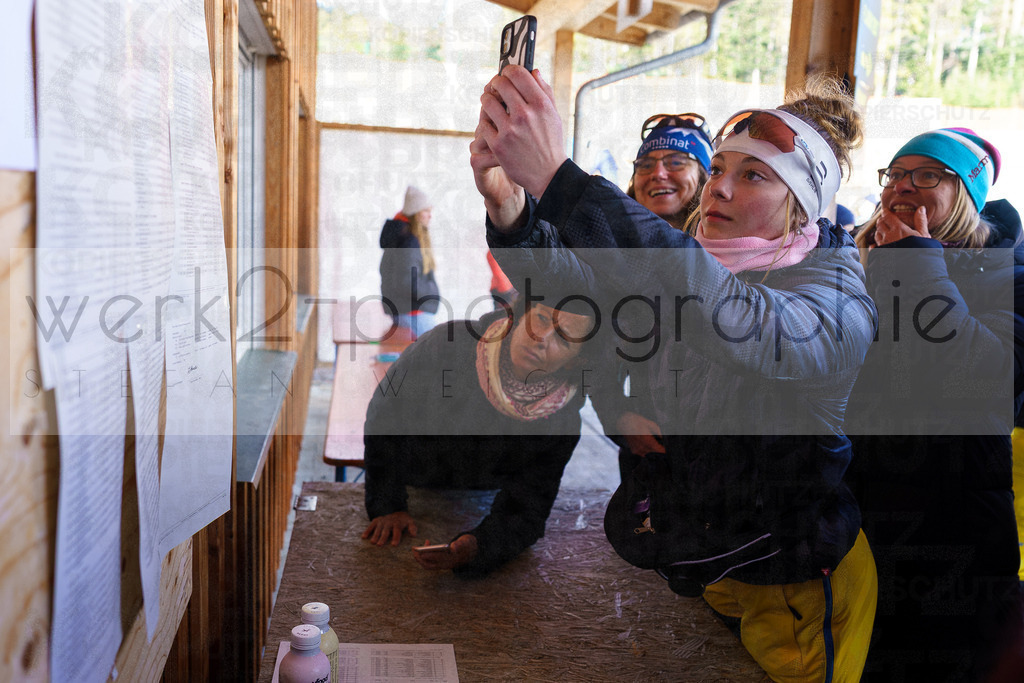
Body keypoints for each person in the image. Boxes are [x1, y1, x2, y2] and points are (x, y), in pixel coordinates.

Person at [471, 67, 877, 682]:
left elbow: (743, 322)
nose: (718, 188)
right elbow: (581, 295)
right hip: (710, 549)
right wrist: (513, 211)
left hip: (792, 571)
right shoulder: (709, 261)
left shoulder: (837, 297)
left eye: (753, 175)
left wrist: (562, 181)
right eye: (718, 170)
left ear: (802, 210)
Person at [846, 128, 1024, 681]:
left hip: (954, 523)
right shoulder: (858, 260)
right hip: (858, 506)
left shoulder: (1010, 276)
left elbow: (985, 377)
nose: (903, 186)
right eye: (895, 174)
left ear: (967, 191)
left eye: (927, 175)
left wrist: (916, 266)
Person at [360, 296, 597, 575]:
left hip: (483, 491)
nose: (541, 338)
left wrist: (478, 548)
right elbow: (386, 416)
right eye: (542, 319)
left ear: (574, 362)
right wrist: (386, 503)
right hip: (416, 478)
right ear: (520, 316)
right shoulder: (446, 345)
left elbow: (526, 509)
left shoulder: (560, 420)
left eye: (564, 339)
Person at [626, 112, 714, 231]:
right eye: (646, 165)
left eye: (676, 163)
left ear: (705, 176)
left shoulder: (727, 246)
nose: (658, 174)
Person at [379, 185, 440, 339]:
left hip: (405, 311)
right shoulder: (409, 241)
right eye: (426, 211)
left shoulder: (401, 236)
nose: (429, 216)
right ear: (416, 214)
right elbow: (407, 281)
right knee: (435, 355)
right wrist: (432, 291)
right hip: (413, 313)